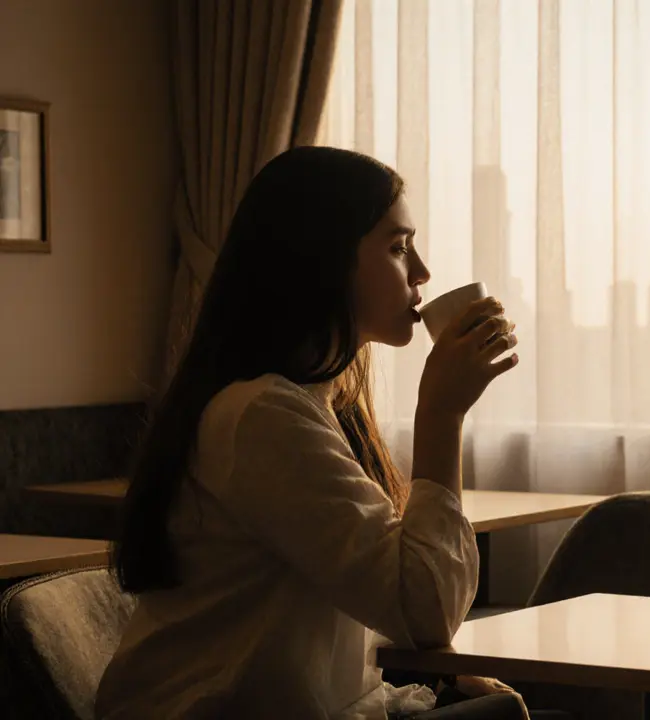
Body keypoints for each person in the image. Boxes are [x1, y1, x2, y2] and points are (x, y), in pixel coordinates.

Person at [96, 147, 534, 719]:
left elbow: (372, 611)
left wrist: (448, 673)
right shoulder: (262, 416)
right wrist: (442, 415)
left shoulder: (315, 404)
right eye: (399, 247)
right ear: (323, 261)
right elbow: (422, 609)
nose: (422, 272)